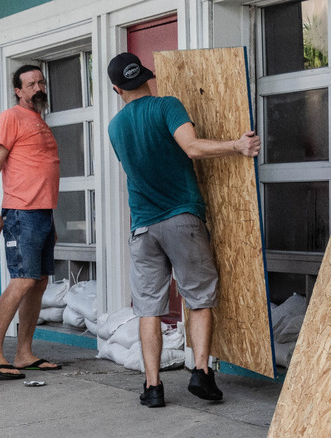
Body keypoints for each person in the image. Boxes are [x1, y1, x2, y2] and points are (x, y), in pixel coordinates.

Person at [106, 52, 261, 408]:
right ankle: (202, 373)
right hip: (181, 218)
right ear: (146, 76)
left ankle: (153, 387)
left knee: (149, 309)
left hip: (142, 226)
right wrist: (237, 146)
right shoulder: (166, 106)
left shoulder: (115, 127)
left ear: (117, 89)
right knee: (199, 298)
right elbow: (191, 147)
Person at [0, 65, 61, 379]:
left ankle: (24, 353)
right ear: (18, 90)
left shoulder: (38, 120)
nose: (38, 87)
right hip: (21, 213)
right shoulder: (11, 117)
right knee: (23, 279)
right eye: (31, 83)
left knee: (38, 281)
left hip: (42, 212)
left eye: (41, 81)